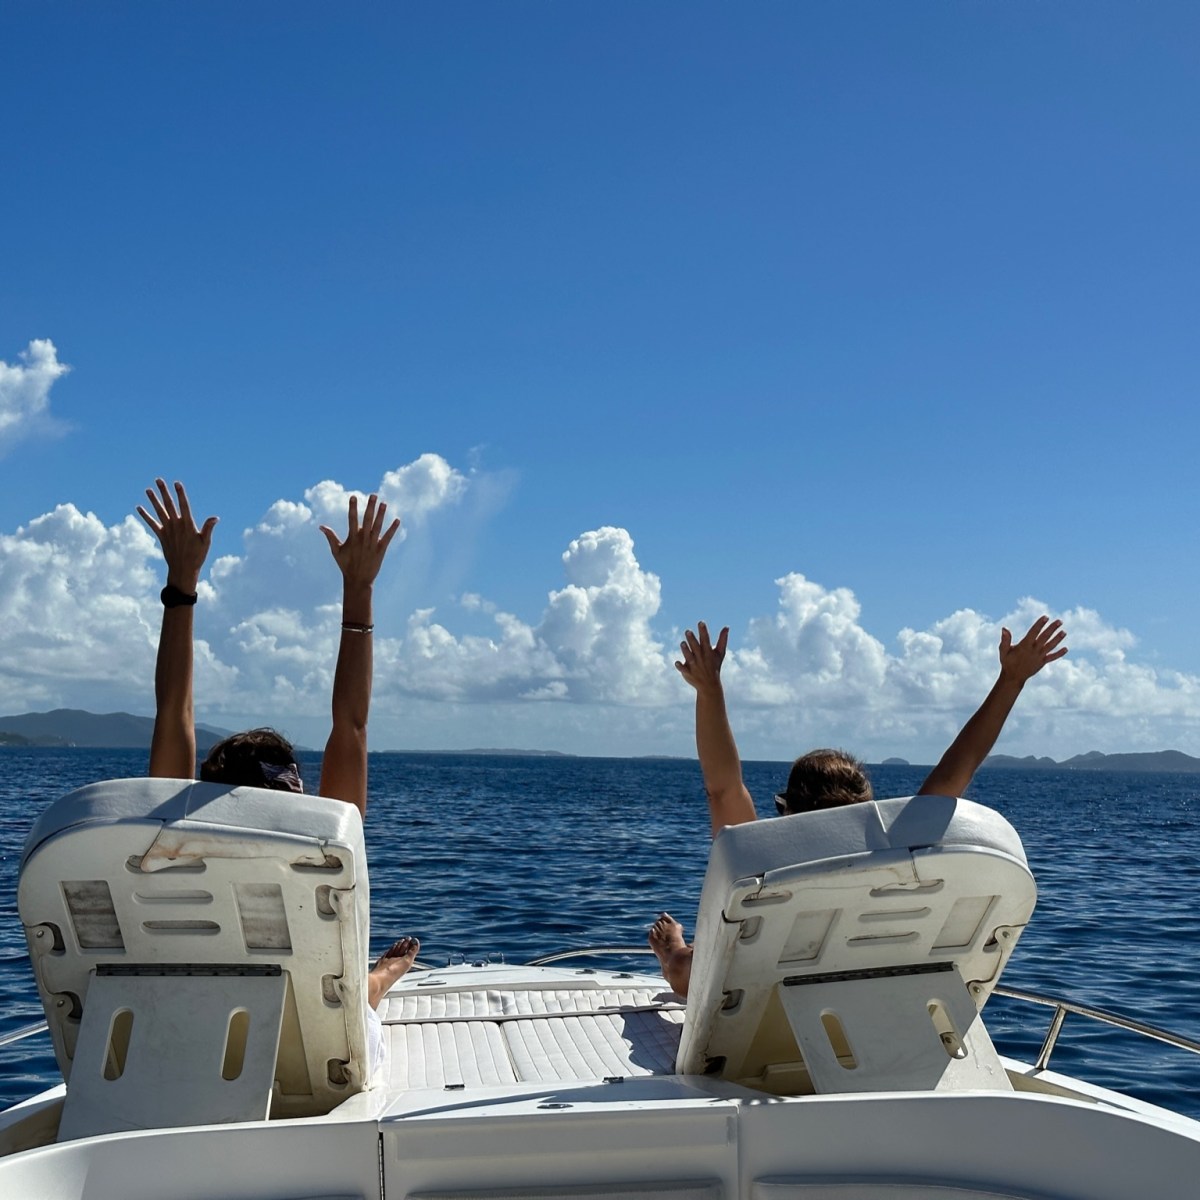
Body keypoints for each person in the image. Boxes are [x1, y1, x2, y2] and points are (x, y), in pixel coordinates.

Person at [649, 615, 1068, 997]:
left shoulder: (756, 859)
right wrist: (1011, 680)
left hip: (761, 1012)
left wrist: (709, 688)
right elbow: (958, 770)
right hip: (876, 1016)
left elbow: (722, 789)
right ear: (867, 803)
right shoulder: (897, 852)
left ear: (787, 809)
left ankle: (672, 950)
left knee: (694, 965)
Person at [137, 478, 419, 1007]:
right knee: (359, 990)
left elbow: (172, 711)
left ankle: (377, 979)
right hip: (318, 1037)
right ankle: (380, 979)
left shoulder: (172, 831)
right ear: (293, 788)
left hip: (188, 1030)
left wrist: (182, 583)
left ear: (205, 791)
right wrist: (359, 589)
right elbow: (351, 725)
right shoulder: (325, 837)